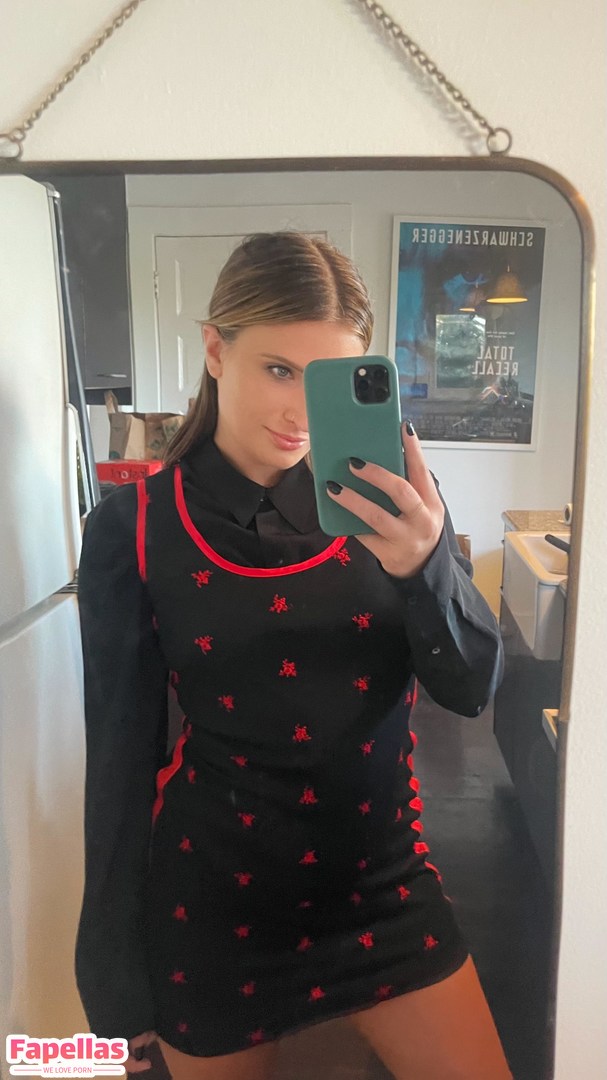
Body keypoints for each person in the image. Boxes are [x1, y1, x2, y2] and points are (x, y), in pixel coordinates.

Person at [75, 232, 512, 1080]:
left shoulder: (400, 504)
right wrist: (113, 985)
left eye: (324, 379)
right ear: (215, 350)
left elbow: (468, 688)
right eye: (278, 370)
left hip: (382, 890)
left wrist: (424, 567)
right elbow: (120, 762)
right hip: (213, 908)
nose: (300, 413)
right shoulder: (134, 528)